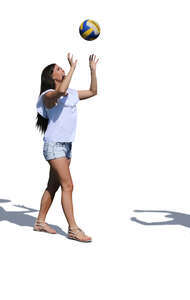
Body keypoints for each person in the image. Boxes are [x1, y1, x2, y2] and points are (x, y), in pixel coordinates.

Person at [35, 53, 99, 242]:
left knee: (53, 185)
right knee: (68, 185)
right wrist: (72, 68)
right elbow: (60, 92)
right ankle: (73, 229)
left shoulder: (71, 93)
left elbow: (93, 91)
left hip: (66, 146)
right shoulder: (47, 95)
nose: (62, 69)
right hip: (54, 146)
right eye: (58, 69)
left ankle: (40, 221)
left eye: (62, 68)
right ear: (51, 76)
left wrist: (92, 71)